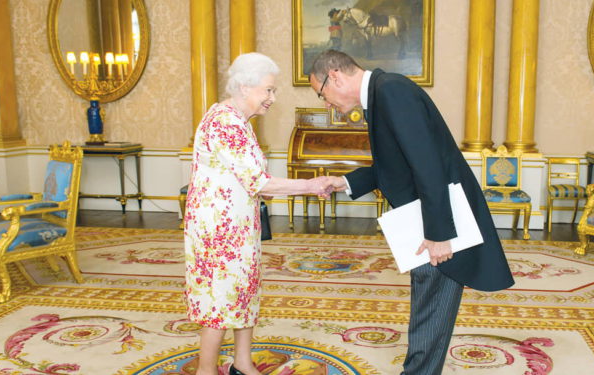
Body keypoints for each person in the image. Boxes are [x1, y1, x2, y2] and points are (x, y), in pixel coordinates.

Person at [308, 49, 515, 374]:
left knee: (430, 309)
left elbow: (427, 163)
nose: (325, 103)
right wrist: (344, 182)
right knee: (429, 308)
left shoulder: (390, 91)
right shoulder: (382, 93)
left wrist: (438, 235)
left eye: (321, 94)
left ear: (334, 76)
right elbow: (394, 165)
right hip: (426, 217)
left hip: (436, 222)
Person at [184, 52, 333, 375]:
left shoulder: (240, 120)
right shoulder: (225, 122)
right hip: (218, 229)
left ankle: (242, 363)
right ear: (244, 86)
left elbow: (255, 184)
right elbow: (258, 181)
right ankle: (206, 370)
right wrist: (311, 185)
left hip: (237, 224)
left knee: (244, 289)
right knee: (219, 297)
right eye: (268, 90)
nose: (272, 98)